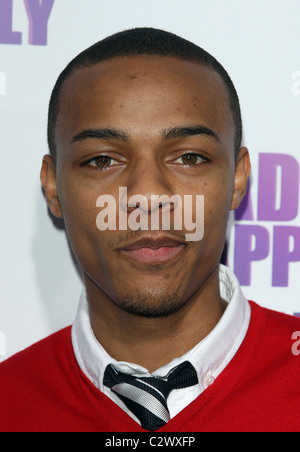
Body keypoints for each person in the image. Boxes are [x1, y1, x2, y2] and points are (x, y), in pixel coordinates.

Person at [0, 28, 299, 433]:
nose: (147, 196)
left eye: (189, 157)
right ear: (53, 188)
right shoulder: (9, 400)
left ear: (238, 179)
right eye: (103, 160)